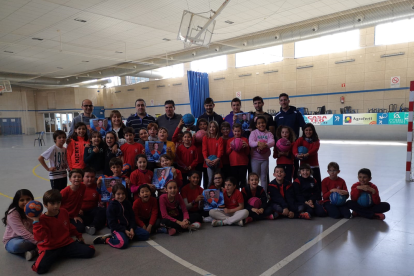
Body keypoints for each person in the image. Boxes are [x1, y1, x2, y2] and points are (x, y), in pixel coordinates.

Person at [29, 189, 95, 274]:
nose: (56, 206)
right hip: (50, 248)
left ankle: (60, 255)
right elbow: (39, 238)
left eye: (58, 203)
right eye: (52, 204)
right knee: (39, 269)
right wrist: (35, 221)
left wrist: (79, 236)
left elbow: (69, 226)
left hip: (66, 244)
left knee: (90, 251)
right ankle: (53, 255)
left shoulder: (63, 212)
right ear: (45, 205)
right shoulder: (41, 220)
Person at [93, 184, 149, 248]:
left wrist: (131, 229)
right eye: (118, 194)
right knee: (122, 244)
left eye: (123, 194)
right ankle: (106, 239)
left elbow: (132, 217)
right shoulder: (111, 206)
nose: (121, 196)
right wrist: (124, 230)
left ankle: (125, 237)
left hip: (128, 227)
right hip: (118, 229)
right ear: (114, 195)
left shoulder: (127, 203)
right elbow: (112, 224)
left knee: (146, 234)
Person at [274, 93, 306, 179]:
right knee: (281, 171)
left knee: (294, 169)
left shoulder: (296, 113)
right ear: (279, 102)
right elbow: (275, 132)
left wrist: (302, 141)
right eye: (281, 100)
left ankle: (294, 187)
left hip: (293, 146)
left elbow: (304, 127)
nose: (283, 102)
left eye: (285, 100)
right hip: (281, 147)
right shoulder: (277, 116)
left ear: (288, 101)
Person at [2, 189, 38, 261]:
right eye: (22, 200)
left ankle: (33, 251)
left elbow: (42, 223)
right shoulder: (13, 214)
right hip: (14, 240)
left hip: (31, 236)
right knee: (18, 246)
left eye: (28, 199)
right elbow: (22, 232)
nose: (25, 202)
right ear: (17, 202)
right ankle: (37, 250)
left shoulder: (34, 208)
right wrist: (39, 242)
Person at [249, 116, 275, 192]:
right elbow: (251, 143)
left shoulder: (269, 133)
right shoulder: (254, 133)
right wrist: (259, 143)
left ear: (266, 124)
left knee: (263, 177)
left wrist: (265, 145)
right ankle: (254, 193)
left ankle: (264, 193)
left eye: (263, 123)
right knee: (255, 178)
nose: (261, 124)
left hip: (264, 159)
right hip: (255, 159)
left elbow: (272, 142)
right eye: (259, 123)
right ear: (256, 125)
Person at [292, 123, 321, 191]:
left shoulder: (316, 140)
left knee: (317, 181)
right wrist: (296, 154)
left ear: (313, 131)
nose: (308, 132)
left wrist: (307, 154)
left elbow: (315, 149)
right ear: (304, 131)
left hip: (314, 164)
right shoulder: (301, 139)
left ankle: (318, 197)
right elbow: (295, 147)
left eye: (310, 130)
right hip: (304, 165)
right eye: (306, 130)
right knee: (303, 181)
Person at [79, 167, 107, 235]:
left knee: (102, 211)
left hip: (92, 212)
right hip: (80, 212)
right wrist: (77, 210)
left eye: (92, 177)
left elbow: (102, 202)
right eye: (87, 177)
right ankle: (89, 227)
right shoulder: (78, 187)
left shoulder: (97, 187)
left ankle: (92, 226)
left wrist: (102, 189)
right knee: (79, 228)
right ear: (83, 177)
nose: (90, 179)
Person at [227, 123, 250, 189]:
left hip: (243, 164)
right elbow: (227, 153)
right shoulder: (229, 141)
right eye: (235, 131)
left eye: (238, 131)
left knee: (243, 181)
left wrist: (246, 146)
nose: (237, 133)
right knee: (235, 182)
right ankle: (236, 196)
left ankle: (243, 195)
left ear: (241, 131)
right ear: (232, 131)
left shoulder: (245, 140)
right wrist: (231, 147)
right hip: (233, 164)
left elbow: (247, 153)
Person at [194, 118, 209, 188]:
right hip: (199, 160)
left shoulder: (210, 135)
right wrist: (193, 138)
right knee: (197, 179)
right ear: (198, 126)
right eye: (201, 124)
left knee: (207, 179)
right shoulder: (195, 135)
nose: (203, 126)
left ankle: (206, 194)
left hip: (207, 160)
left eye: (204, 124)